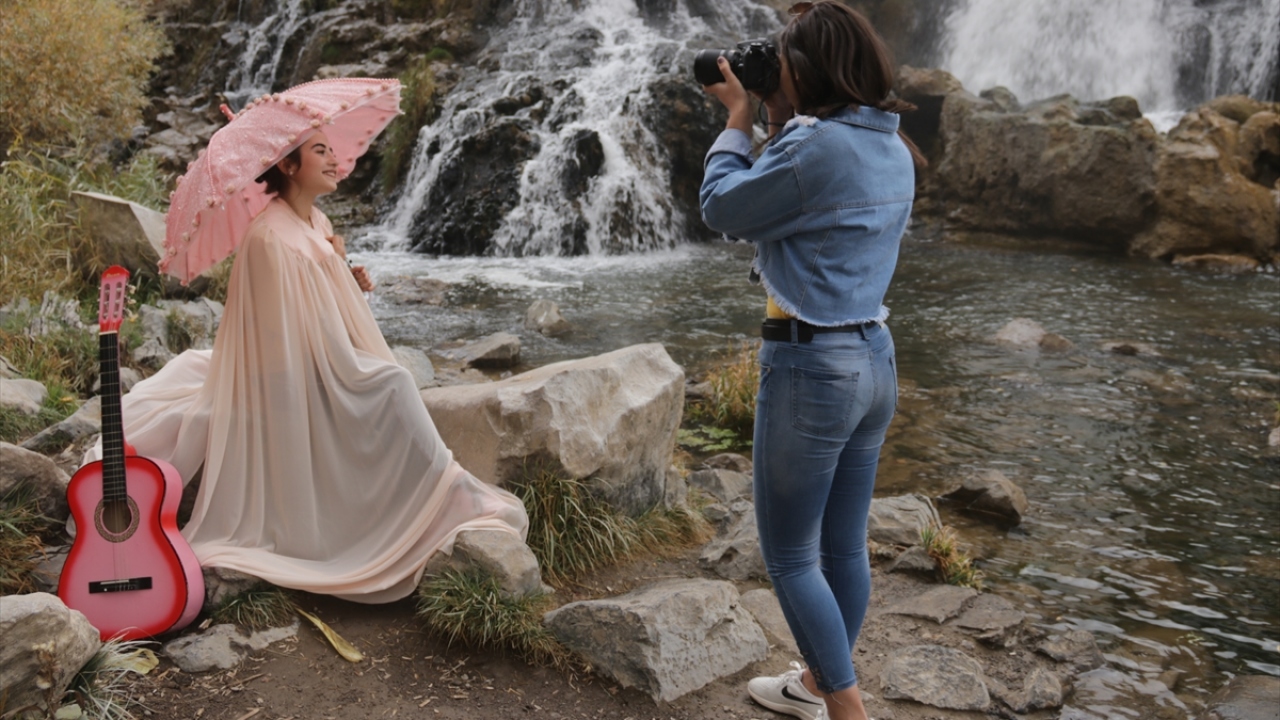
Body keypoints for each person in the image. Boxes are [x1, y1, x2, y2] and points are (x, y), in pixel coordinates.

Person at [84, 130, 528, 603]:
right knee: (394, 381)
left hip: (316, 357)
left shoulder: (315, 219)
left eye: (333, 149)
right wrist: (334, 300)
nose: (336, 160)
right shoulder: (268, 239)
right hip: (284, 372)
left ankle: (442, 494)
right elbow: (284, 337)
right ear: (289, 167)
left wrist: (345, 278)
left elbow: (325, 309)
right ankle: (442, 498)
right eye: (321, 152)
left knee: (390, 381)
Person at [700, 3, 925, 719]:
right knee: (842, 547)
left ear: (812, 68)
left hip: (811, 369)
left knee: (792, 558)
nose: (779, 67)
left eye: (787, 58)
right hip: (873, 360)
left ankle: (846, 710)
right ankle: (815, 685)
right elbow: (801, 197)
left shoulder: (815, 149)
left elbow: (724, 208)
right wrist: (775, 111)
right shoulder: (891, 144)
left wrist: (736, 117)